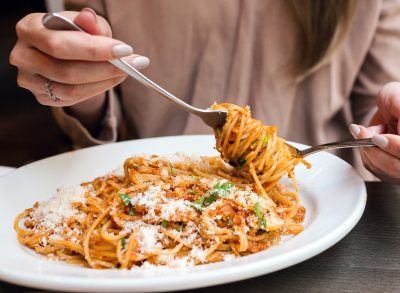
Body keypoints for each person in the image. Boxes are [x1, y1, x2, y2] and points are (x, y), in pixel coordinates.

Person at [8, 0, 400, 183]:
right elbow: (98, 108)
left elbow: (374, 113)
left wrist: (385, 138)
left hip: (313, 202)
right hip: (151, 186)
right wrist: (73, 74)